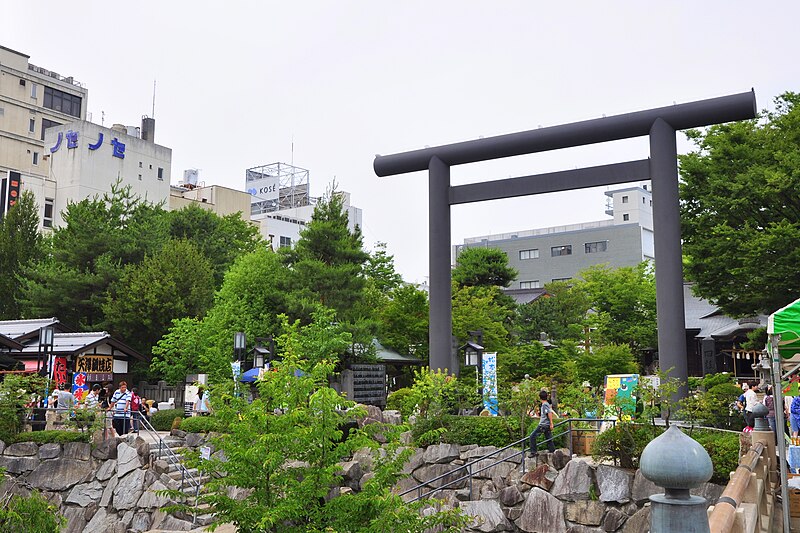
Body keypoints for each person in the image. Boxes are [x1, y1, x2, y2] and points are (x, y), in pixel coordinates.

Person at [529, 390, 556, 455]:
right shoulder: (546, 404)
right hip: (546, 424)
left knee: (532, 436)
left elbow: (549, 413)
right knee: (548, 438)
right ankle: (552, 451)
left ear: (540, 397)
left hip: (543, 425)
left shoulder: (544, 405)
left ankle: (533, 452)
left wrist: (551, 423)